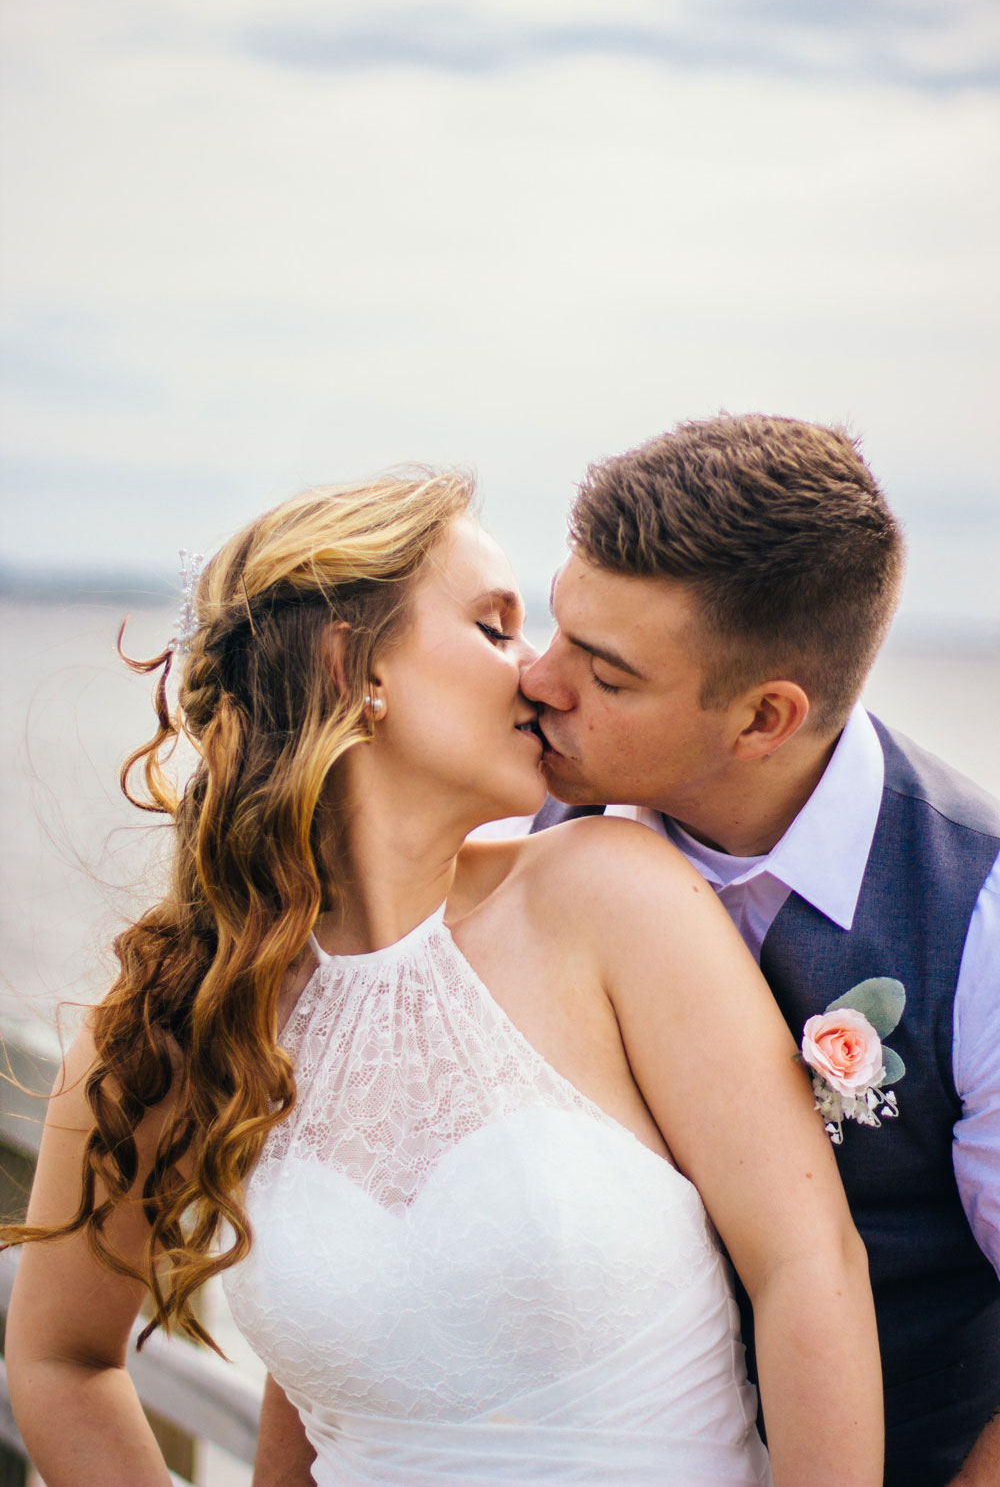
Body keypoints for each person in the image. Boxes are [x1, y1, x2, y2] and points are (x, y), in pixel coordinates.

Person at [2, 470, 883, 1487]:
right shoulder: (178, 1016)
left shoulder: (610, 896)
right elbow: (62, 1359)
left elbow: (807, 1266)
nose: (541, 674)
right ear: (353, 665)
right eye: (495, 627)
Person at [516, 413, 1000, 1487]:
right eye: (555, 628)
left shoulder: (979, 914)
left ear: (763, 719)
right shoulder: (513, 848)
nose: (539, 683)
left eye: (604, 672)